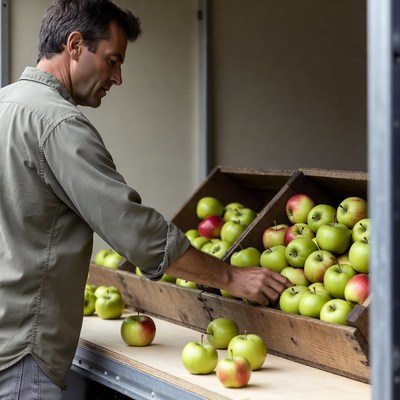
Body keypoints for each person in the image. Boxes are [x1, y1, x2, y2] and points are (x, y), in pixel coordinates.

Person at [0, 0, 291, 398]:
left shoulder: (6, 105)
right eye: (113, 60)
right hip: (23, 353)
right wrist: (230, 276)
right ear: (75, 45)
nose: (118, 78)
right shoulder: (59, 124)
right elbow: (135, 232)